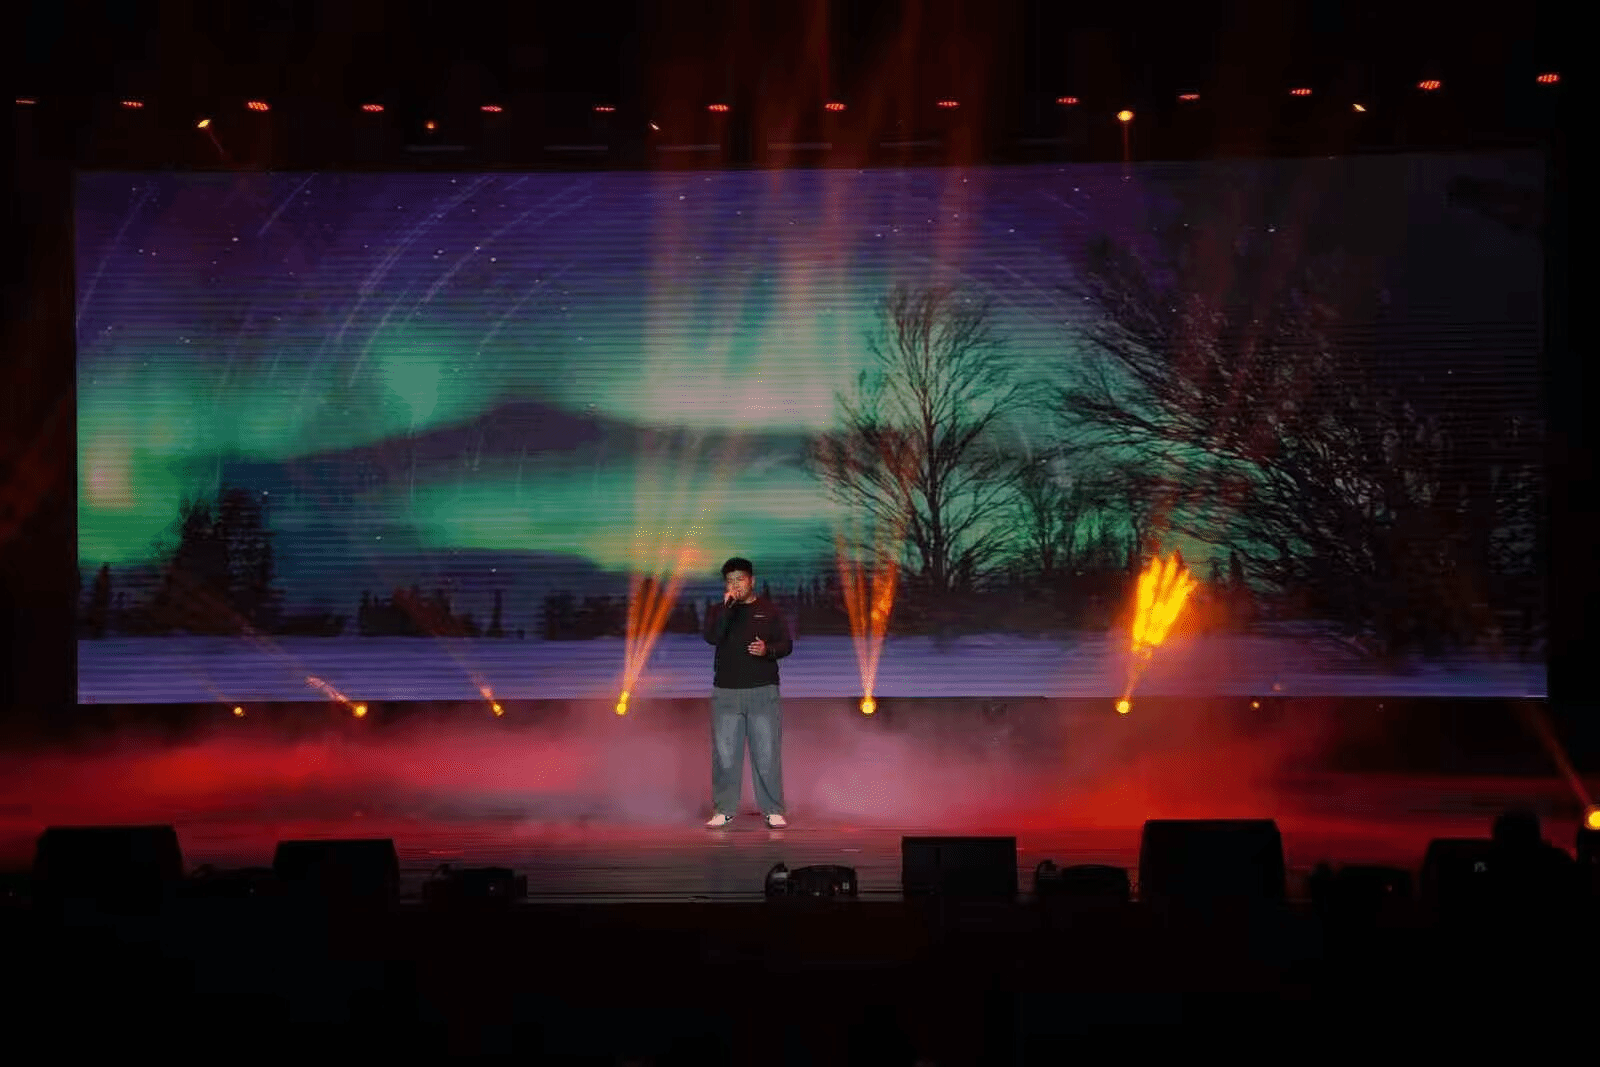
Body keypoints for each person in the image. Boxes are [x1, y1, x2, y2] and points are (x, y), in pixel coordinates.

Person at [701, 557, 793, 828]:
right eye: (730, 580)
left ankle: (773, 809)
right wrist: (727, 609)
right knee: (725, 755)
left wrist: (768, 650)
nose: (735, 585)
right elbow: (712, 637)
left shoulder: (769, 610)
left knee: (766, 754)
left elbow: (786, 644)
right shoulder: (719, 610)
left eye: (740, 579)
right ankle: (724, 809)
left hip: (762, 690)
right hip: (726, 692)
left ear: (752, 581)